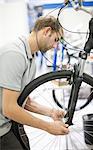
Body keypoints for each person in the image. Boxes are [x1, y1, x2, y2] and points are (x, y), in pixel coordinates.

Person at [0, 16, 69, 150]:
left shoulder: (30, 58)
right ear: (47, 31)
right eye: (55, 40)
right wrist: (48, 127)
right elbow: (9, 108)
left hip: (8, 122)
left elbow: (23, 101)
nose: (55, 46)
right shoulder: (15, 54)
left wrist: (51, 112)